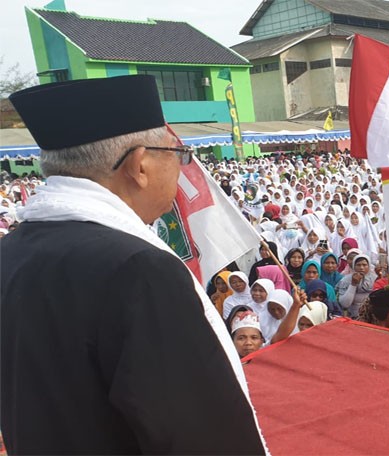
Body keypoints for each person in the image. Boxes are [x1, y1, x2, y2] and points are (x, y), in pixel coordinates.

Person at [0, 76, 265, 453]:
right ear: (139, 165)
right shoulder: (139, 270)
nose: (181, 167)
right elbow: (199, 435)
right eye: (179, 155)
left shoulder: (12, 250)